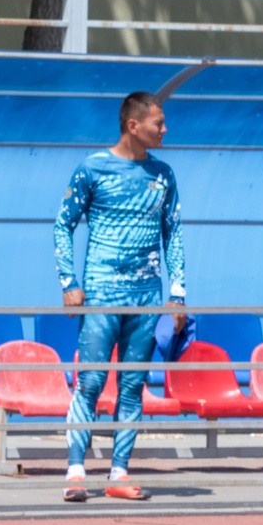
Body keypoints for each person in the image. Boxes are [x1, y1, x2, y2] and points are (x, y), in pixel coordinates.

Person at [53, 90, 186, 503]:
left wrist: (177, 293)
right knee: (90, 381)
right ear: (133, 125)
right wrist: (68, 283)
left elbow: (173, 234)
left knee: (133, 386)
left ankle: (118, 472)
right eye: (158, 123)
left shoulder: (163, 174)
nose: (165, 130)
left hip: (147, 296)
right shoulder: (93, 169)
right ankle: (75, 472)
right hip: (101, 293)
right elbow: (62, 225)